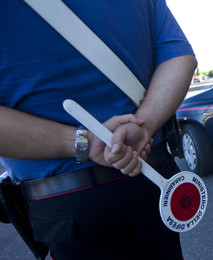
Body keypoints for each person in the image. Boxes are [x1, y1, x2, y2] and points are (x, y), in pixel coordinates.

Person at [0, 0, 197, 259]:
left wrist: (84, 142)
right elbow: (180, 56)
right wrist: (144, 124)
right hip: (152, 176)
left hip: (66, 203)